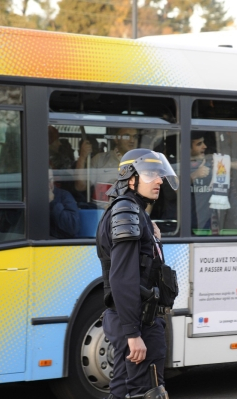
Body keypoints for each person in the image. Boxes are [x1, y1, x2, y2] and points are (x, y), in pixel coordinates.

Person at [96, 148, 178, 399]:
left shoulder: (133, 211)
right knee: (147, 392)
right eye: (151, 173)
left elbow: (143, 267)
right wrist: (133, 334)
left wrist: (153, 239)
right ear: (130, 178)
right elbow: (122, 278)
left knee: (123, 391)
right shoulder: (127, 211)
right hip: (138, 322)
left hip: (135, 320)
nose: (159, 180)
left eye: (160, 174)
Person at [190, 132, 237, 235]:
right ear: (186, 147)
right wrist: (193, 176)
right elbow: (171, 194)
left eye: (204, 143)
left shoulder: (215, 164)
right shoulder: (177, 167)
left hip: (210, 232)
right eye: (199, 144)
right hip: (184, 231)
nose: (204, 146)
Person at [76, 127, 139, 205]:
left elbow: (148, 198)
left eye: (135, 136)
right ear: (116, 139)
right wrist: (82, 157)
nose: (132, 140)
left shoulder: (142, 163)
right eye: (126, 136)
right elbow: (81, 186)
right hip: (100, 214)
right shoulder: (100, 159)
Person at [49, 169, 80, 239]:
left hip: (60, 243)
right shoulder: (33, 197)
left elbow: (73, 227)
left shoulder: (64, 196)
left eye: (50, 180)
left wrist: (52, 203)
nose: (48, 184)